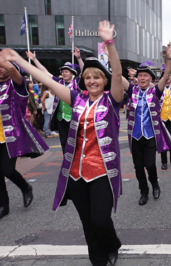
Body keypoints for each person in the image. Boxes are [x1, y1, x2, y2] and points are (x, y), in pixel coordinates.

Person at [1, 20, 124, 266]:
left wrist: (109, 43)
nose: (92, 81)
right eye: (88, 78)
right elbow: (46, 80)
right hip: (76, 173)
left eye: (97, 77)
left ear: (104, 81)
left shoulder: (112, 101)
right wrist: (20, 60)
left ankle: (112, 242)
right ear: (84, 82)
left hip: (102, 172)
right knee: (88, 223)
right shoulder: (76, 99)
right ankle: (98, 260)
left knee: (100, 220)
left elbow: (118, 73)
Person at [0, 55, 49, 220]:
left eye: (3, 66)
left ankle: (25, 187)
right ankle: (3, 205)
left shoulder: (16, 86)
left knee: (7, 169)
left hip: (10, 137)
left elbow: (13, 70)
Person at [126, 43, 171, 206]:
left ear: (150, 78)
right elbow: (117, 75)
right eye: (140, 75)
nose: (142, 78)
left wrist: (168, 58)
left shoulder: (155, 91)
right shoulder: (131, 91)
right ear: (137, 78)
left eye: (145, 76)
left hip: (150, 135)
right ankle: (143, 191)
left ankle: (154, 184)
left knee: (150, 164)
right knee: (138, 167)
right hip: (135, 136)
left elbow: (166, 74)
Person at [26, 47, 84, 153]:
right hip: (60, 117)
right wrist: (34, 59)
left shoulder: (76, 83)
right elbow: (45, 72)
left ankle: (76, 162)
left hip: (74, 117)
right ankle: (66, 161)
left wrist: (79, 58)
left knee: (76, 141)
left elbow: (84, 72)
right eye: (63, 72)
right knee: (63, 142)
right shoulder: (59, 82)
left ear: (72, 73)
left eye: (66, 71)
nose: (64, 73)